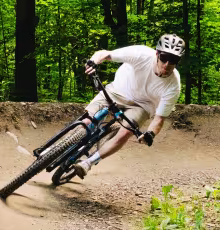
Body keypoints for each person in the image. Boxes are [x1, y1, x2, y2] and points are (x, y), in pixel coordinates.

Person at [72, 34, 185, 179]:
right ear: (157, 53)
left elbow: (159, 118)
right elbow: (105, 54)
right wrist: (93, 61)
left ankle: (88, 163)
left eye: (174, 60)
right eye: (164, 57)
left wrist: (150, 134)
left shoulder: (174, 85)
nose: (167, 64)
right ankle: (54, 150)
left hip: (143, 106)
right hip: (117, 91)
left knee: (126, 132)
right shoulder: (141, 54)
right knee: (86, 122)